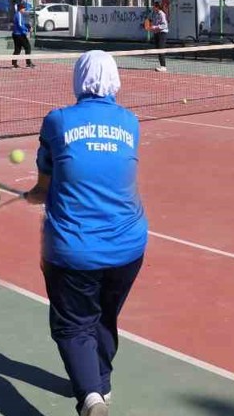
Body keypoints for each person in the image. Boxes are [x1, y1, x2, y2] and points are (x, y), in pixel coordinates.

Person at [24, 51, 147, 416]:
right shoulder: (131, 122)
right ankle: (101, 386)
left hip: (73, 249)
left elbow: (45, 186)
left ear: (78, 79)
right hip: (129, 247)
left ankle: (90, 398)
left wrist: (33, 195)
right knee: (105, 316)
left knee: (73, 325)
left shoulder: (58, 121)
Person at [11, 1, 34, 69]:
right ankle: (28, 64)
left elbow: (22, 24)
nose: (24, 9)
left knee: (17, 49)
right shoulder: (18, 15)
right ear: (20, 8)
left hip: (16, 35)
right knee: (28, 47)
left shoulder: (18, 15)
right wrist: (27, 30)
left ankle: (14, 64)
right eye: (23, 8)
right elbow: (20, 25)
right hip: (19, 35)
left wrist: (28, 26)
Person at [147, 1, 168, 73]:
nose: (153, 7)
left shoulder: (162, 14)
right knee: (158, 49)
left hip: (162, 33)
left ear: (157, 7)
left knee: (161, 49)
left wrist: (155, 27)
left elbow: (165, 25)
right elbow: (149, 19)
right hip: (156, 33)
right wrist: (148, 24)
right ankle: (162, 66)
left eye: (154, 6)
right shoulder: (153, 13)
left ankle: (163, 67)